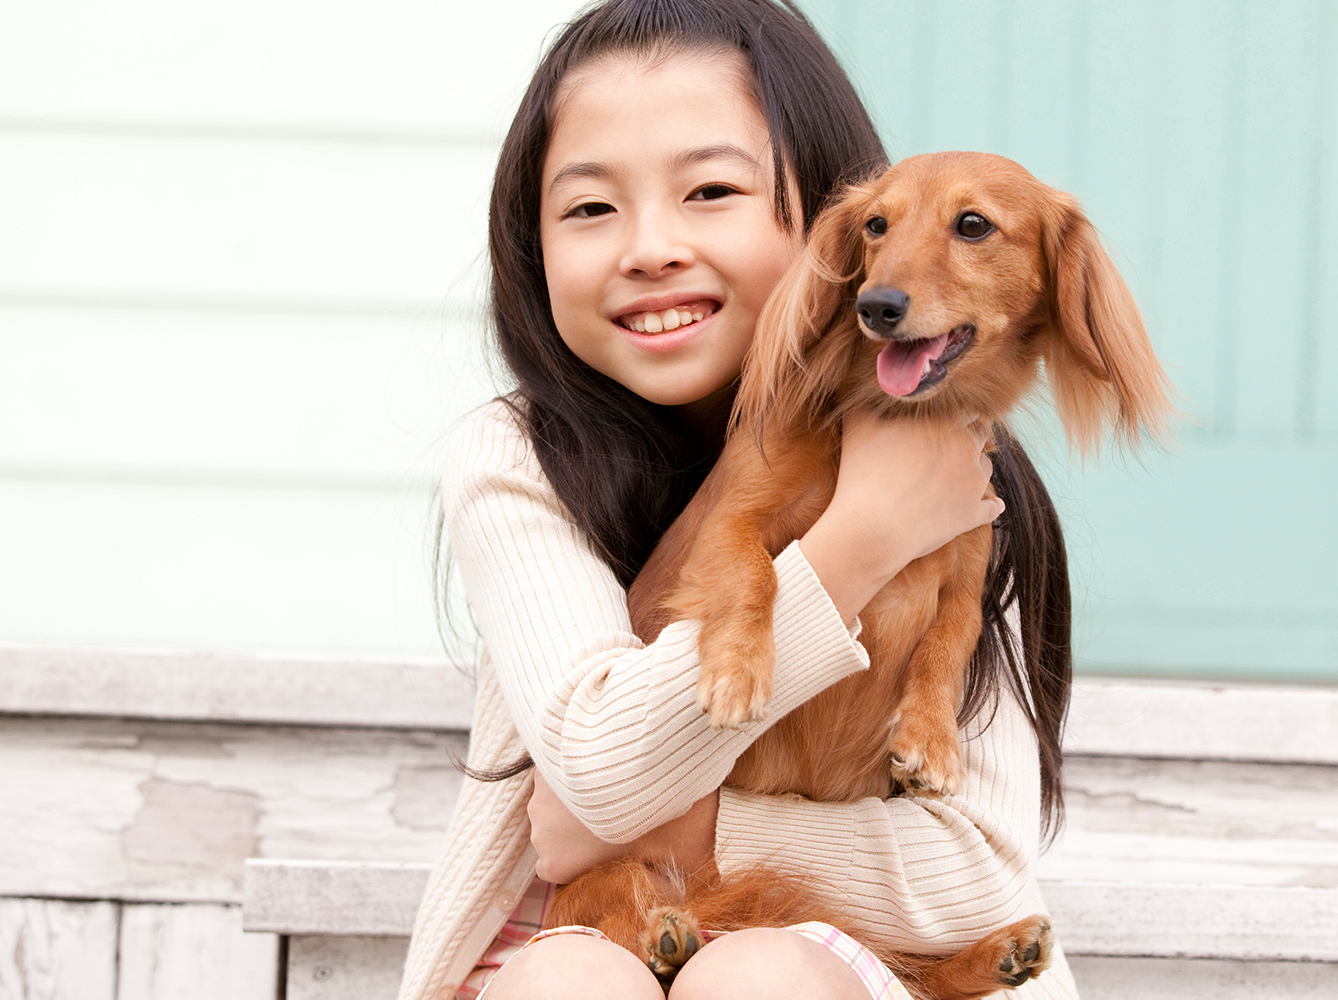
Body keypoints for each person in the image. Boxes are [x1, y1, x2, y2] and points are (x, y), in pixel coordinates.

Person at [397, 2, 1079, 999]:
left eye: (711, 189)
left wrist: (702, 827)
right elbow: (596, 777)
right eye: (590, 208)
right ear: (529, 244)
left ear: (840, 229)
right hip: (578, 932)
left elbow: (977, 874)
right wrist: (853, 539)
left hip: (857, 962)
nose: (650, 247)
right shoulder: (524, 458)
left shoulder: (962, 476)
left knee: (758, 977)